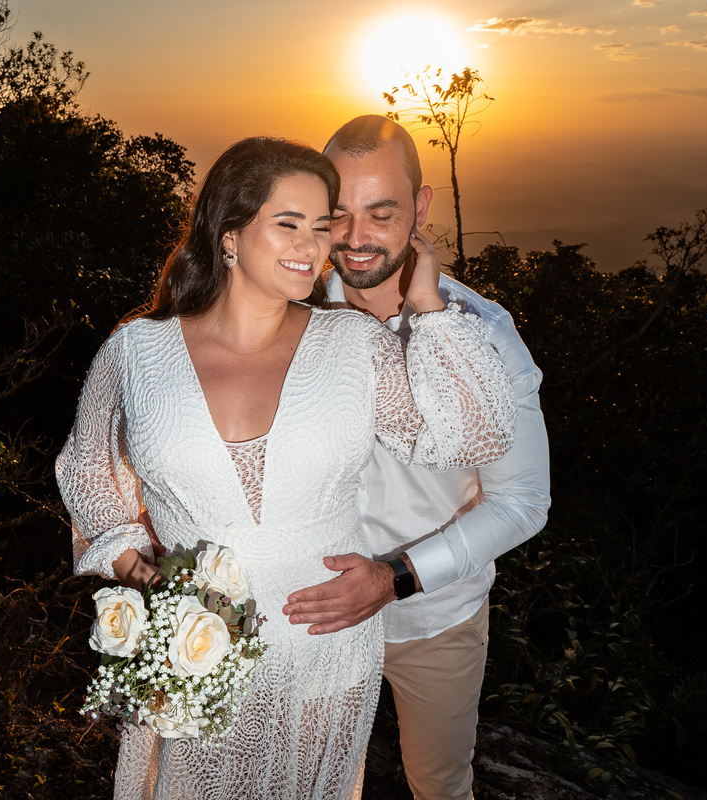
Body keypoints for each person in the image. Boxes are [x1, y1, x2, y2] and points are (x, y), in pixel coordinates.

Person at [55, 136, 518, 800]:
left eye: (321, 226)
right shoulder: (135, 354)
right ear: (230, 235)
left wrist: (429, 303)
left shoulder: (353, 343)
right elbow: (90, 474)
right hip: (197, 650)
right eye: (288, 223)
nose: (314, 245)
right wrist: (148, 572)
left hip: (325, 651)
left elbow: (473, 436)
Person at [282, 116, 551, 800]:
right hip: (308, 612)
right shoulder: (285, 315)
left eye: (382, 211)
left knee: (438, 785)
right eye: (338, 213)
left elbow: (523, 502)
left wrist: (395, 577)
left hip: (437, 619)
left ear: (420, 208)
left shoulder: (481, 335)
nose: (356, 236)